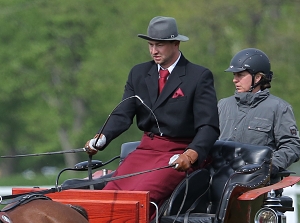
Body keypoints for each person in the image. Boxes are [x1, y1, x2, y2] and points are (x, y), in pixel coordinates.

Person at [84, 16, 219, 205]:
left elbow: (209, 126)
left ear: (176, 43)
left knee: (141, 198)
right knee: (110, 195)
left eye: (160, 45)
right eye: (150, 45)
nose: (153, 51)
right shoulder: (138, 73)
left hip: (178, 152)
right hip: (145, 150)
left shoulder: (198, 76)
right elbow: (123, 113)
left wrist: (190, 155)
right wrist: (102, 138)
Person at [217, 48, 300, 176]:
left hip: (260, 184)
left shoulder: (279, 108)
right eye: (234, 75)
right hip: (221, 179)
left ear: (257, 78)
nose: (235, 79)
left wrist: (270, 166)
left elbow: (291, 146)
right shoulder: (222, 105)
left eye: (240, 75)